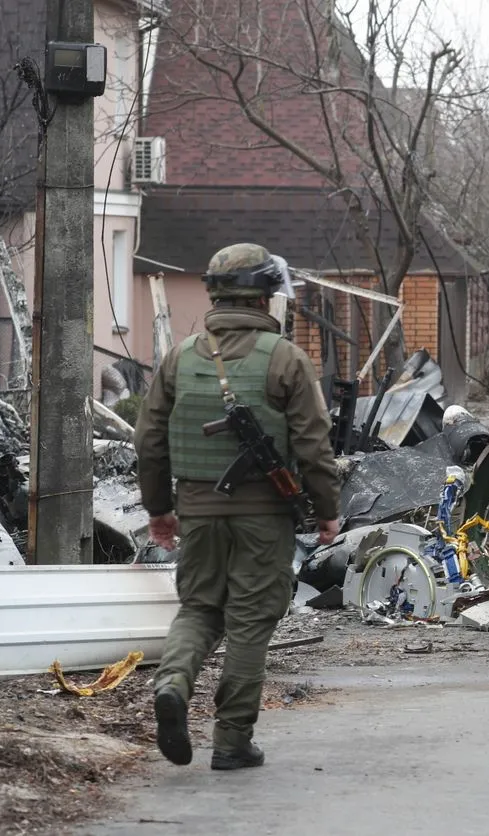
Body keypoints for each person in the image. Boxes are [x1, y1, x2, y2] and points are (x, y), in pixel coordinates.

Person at [134, 243, 341, 771]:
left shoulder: (179, 357)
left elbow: (149, 440)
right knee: (250, 620)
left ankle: (174, 686)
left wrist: (159, 508)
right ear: (266, 297)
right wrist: (326, 510)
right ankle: (231, 742)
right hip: (265, 517)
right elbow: (315, 446)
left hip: (197, 512)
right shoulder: (287, 359)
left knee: (200, 609)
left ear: (216, 295)